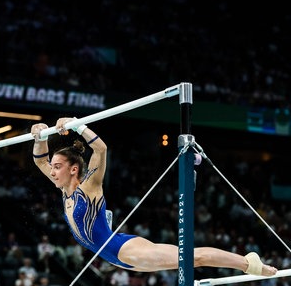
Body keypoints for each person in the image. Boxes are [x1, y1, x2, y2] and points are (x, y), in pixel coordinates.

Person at [30, 117, 278, 276]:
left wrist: (77, 125)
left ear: (74, 169)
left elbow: (101, 148)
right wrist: (40, 134)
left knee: (193, 258)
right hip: (118, 258)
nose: (51, 171)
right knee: (189, 260)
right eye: (52, 167)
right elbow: (39, 159)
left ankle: (250, 264)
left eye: (57, 166)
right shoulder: (64, 190)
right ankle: (248, 263)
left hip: (123, 249)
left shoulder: (89, 187)